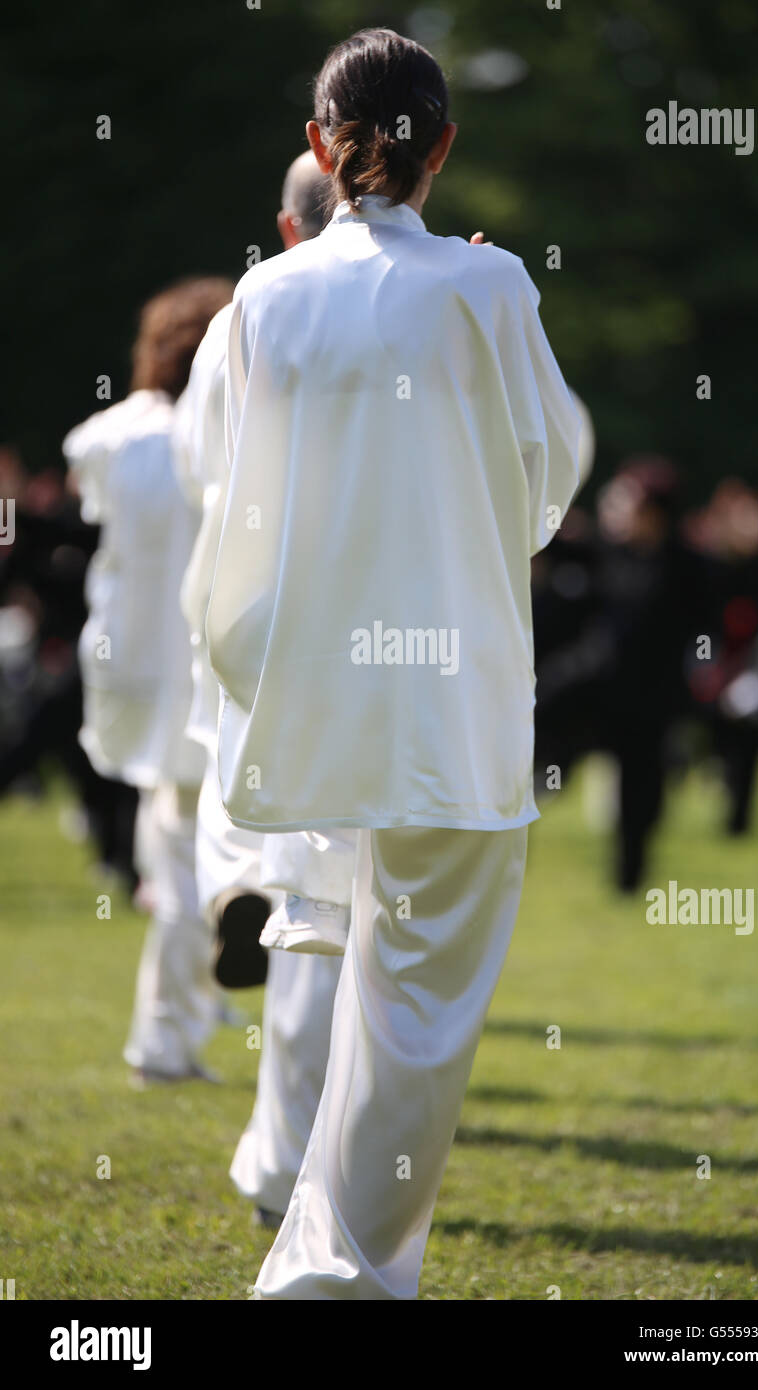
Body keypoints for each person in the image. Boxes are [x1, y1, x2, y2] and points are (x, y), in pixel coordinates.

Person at [206, 28, 583, 1299]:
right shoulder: (490, 287)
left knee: (332, 949)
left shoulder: (266, 293)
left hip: (308, 695)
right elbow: (542, 487)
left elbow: (238, 501)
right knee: (415, 1006)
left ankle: (318, 1250)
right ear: (444, 149)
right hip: (447, 700)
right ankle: (335, 1275)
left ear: (322, 146)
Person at [173, 151, 356, 1224]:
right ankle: (298, 1158)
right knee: (334, 909)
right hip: (370, 636)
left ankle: (229, 884)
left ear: (284, 227)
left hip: (244, 615)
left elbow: (203, 463)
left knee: (262, 846)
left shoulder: (247, 312)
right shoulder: (436, 308)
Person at [63, 277, 233, 1084]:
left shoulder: (109, 437)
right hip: (212, 673)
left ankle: (183, 1012)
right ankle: (170, 1031)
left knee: (172, 842)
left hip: (134, 666)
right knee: (197, 857)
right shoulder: (237, 435)